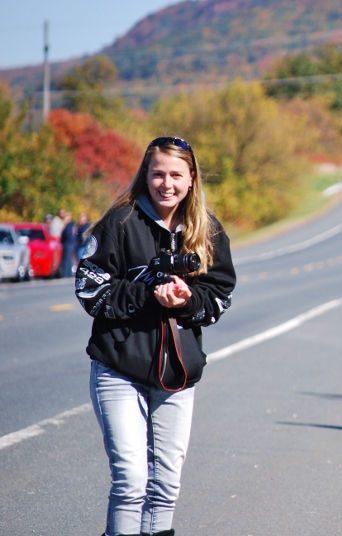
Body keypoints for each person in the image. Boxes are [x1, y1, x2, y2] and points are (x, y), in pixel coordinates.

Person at [75, 136, 236, 536]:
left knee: (166, 486)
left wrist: (184, 301)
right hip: (118, 366)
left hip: (176, 374)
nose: (167, 184)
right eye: (158, 173)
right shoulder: (120, 222)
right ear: (145, 174)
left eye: (176, 175)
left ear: (192, 177)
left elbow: (218, 296)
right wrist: (148, 294)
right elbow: (90, 291)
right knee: (131, 481)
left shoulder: (207, 229)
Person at [60, 210, 77, 276]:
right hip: (70, 243)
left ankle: (65, 274)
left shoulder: (69, 225)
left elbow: (67, 234)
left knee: (66, 260)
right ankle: (68, 274)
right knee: (69, 259)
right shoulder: (71, 224)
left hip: (68, 243)